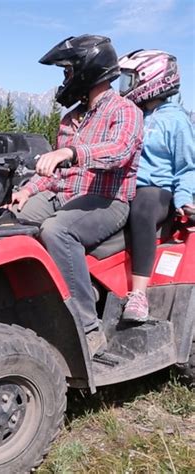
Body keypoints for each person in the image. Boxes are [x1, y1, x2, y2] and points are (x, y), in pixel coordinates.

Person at [8, 35, 144, 357]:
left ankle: (87, 329)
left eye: (67, 72)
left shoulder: (125, 110)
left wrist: (71, 152)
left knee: (58, 230)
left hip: (107, 201)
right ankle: (23, 307)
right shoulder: (70, 119)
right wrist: (28, 190)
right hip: (65, 195)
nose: (65, 80)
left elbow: (119, 151)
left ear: (87, 70)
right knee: (8, 223)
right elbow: (57, 175)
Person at [118, 50, 195, 322]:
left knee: (142, 210)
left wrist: (184, 200)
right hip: (125, 187)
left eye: (130, 80)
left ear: (150, 79)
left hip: (157, 190)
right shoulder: (132, 114)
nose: (124, 87)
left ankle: (138, 296)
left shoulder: (176, 120)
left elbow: (187, 166)